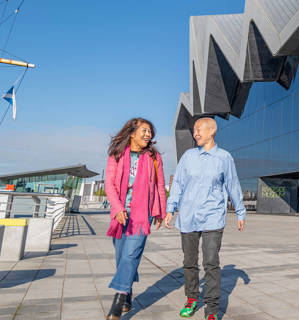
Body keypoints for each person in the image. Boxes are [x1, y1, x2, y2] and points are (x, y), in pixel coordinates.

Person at [165, 117, 246, 320]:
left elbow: (233, 185)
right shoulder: (188, 156)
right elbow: (178, 185)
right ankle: (192, 298)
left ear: (212, 130)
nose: (196, 134)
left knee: (211, 262)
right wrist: (170, 209)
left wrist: (240, 211)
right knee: (189, 261)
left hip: (212, 217)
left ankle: (211, 309)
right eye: (194, 130)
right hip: (188, 217)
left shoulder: (224, 157)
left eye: (199, 129)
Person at [104, 118, 167, 320]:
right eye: (144, 130)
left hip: (143, 214)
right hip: (121, 214)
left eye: (150, 131)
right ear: (132, 133)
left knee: (131, 255)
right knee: (122, 257)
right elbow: (109, 185)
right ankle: (127, 290)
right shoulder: (116, 154)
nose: (148, 134)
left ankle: (118, 302)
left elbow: (160, 184)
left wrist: (161, 210)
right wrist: (117, 207)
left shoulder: (154, 156)